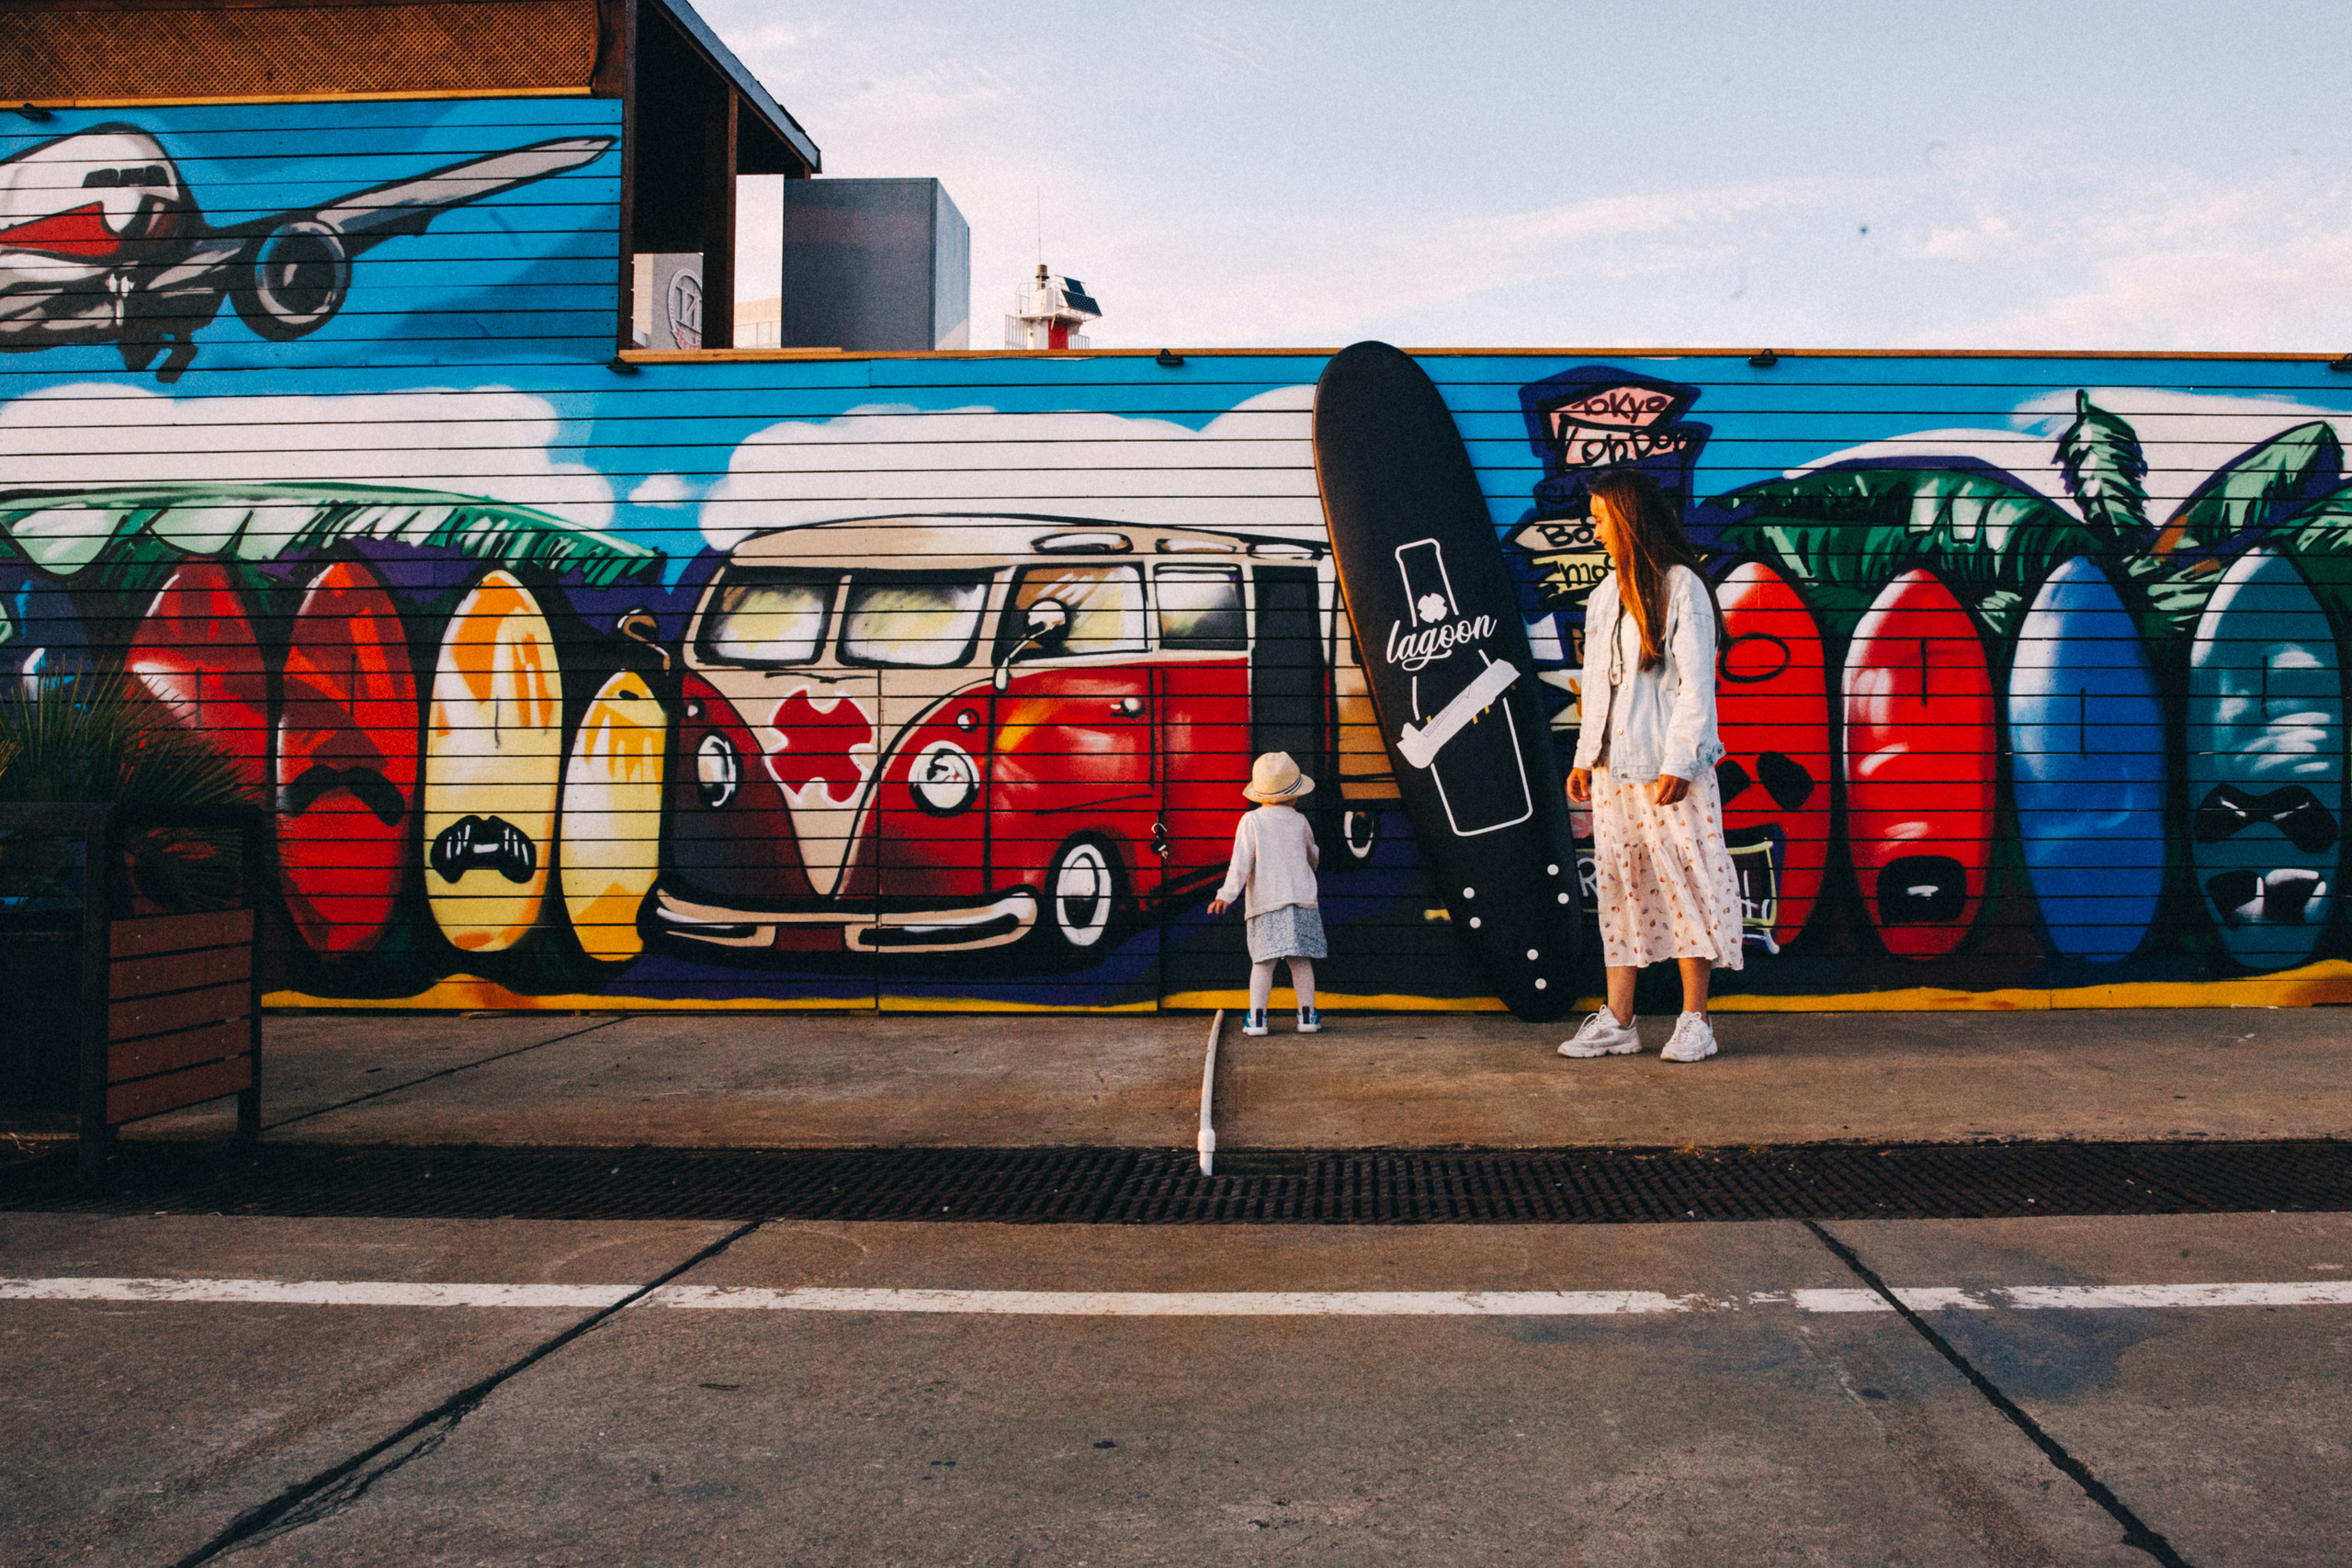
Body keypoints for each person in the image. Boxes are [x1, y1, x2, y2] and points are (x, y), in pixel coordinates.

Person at [1558, 468, 1742, 1065]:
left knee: (1687, 881)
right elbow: (1596, 685)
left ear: (1629, 518)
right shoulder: (1606, 594)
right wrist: (1587, 757)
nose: (1596, 527)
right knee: (1617, 886)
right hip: (1616, 771)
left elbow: (1695, 685)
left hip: (1669, 771)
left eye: (1603, 517)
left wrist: (1682, 760)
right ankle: (1619, 1021)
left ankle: (1696, 1020)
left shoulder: (1681, 585)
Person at [1207, 751, 1325, 1036]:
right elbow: (1313, 856)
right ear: (1294, 795)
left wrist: (1226, 894)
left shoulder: (1251, 821)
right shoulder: (1300, 821)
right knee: (1300, 961)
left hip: (1266, 903)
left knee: (1262, 963)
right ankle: (1307, 1016)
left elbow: (1241, 862)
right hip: (1300, 901)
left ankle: (1258, 1019)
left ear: (1259, 794)